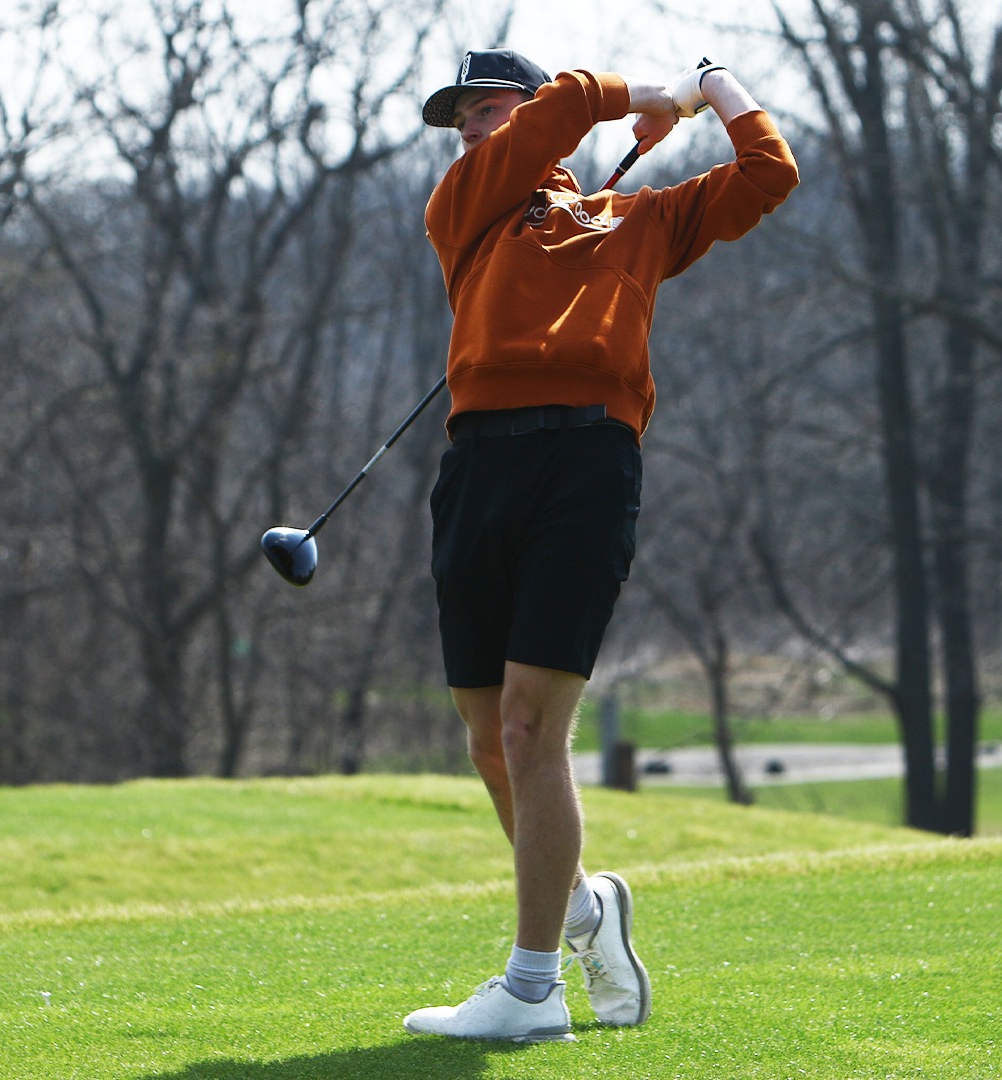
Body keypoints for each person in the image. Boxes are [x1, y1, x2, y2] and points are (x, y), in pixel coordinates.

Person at [401, 48, 798, 1042]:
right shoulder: (465, 210)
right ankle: (585, 913)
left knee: (536, 731)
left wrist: (710, 85)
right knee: (490, 743)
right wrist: (648, 99)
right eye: (464, 120)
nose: (475, 129)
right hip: (476, 472)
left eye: (489, 109)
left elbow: (768, 175)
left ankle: (532, 989)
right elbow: (566, 109)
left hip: (586, 465)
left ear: (524, 109)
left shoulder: (642, 219)